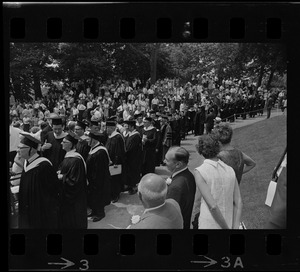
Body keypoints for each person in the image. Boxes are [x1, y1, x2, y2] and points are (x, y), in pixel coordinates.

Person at [194, 135, 243, 229]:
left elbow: (213, 206)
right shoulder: (230, 169)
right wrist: (235, 226)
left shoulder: (200, 171)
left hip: (209, 224)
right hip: (229, 221)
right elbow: (238, 202)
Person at [17, 132, 60, 228]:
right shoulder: (26, 164)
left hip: (41, 211)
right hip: (27, 209)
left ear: (31, 150)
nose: (18, 150)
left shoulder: (44, 165)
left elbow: (53, 190)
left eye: (21, 148)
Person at [58, 133, 87, 229]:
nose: (62, 143)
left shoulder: (76, 160)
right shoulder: (68, 156)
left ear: (71, 144)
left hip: (75, 198)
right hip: (68, 196)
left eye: (64, 142)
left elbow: (75, 181)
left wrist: (62, 177)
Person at [164, 146, 196, 229]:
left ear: (178, 164)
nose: (164, 162)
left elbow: (170, 215)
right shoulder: (189, 175)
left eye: (167, 160)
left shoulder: (176, 187)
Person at [86, 132, 111, 222]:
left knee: (98, 196)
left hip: (99, 180)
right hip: (93, 179)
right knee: (94, 196)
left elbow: (100, 171)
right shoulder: (94, 148)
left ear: (94, 140)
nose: (87, 140)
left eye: (88, 138)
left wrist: (94, 181)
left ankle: (100, 213)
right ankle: (94, 211)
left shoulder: (100, 152)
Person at [105, 118, 126, 203]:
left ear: (112, 128)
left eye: (107, 128)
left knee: (115, 179)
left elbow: (119, 151)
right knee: (111, 179)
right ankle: (112, 194)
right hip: (110, 161)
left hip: (115, 163)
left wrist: (116, 162)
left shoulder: (117, 137)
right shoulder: (110, 136)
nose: (106, 130)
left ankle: (116, 195)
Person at [124, 119, 142, 195]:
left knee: (133, 172)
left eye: (128, 126)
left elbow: (131, 148)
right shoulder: (130, 134)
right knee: (129, 171)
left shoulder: (136, 135)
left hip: (134, 157)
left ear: (131, 126)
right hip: (130, 157)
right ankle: (130, 185)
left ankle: (134, 187)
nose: (126, 127)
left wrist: (125, 151)